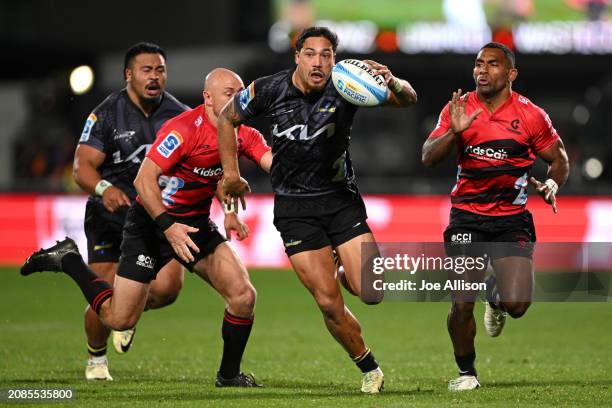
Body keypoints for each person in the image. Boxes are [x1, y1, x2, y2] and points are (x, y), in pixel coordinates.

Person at [22, 68, 272, 387]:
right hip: (151, 225)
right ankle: (68, 259)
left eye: (241, 93)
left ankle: (228, 375)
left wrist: (231, 209)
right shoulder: (183, 129)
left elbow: (250, 169)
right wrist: (168, 227)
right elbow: (143, 180)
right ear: (207, 98)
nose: (238, 100)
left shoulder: (244, 134)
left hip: (195, 225)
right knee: (118, 317)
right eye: (229, 93)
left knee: (243, 296)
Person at [217, 26, 417, 394]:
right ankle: (370, 368)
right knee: (328, 303)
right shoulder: (268, 89)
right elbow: (226, 117)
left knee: (371, 291)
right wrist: (230, 174)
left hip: (340, 201)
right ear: (297, 56)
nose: (319, 62)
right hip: (295, 210)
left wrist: (393, 80)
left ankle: (342, 267)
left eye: (327, 55)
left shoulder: (348, 87)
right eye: (311, 53)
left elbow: (408, 99)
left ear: (334, 60)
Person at [421, 42, 569, 391]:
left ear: (511, 73)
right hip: (466, 218)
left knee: (517, 305)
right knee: (461, 302)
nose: (482, 71)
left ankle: (497, 297)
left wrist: (551, 183)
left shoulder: (532, 115)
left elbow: (559, 158)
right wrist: (452, 132)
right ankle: (467, 373)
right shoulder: (457, 108)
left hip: (511, 220)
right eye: (477, 64)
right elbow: (428, 156)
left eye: (492, 64)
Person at [72, 41, 188, 380]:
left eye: (160, 70)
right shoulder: (107, 113)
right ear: (128, 75)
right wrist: (104, 189)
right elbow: (82, 167)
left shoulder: (179, 114)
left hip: (154, 215)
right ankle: (96, 359)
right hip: (109, 215)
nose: (154, 77)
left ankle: (129, 311)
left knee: (167, 289)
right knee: (103, 289)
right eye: (146, 70)